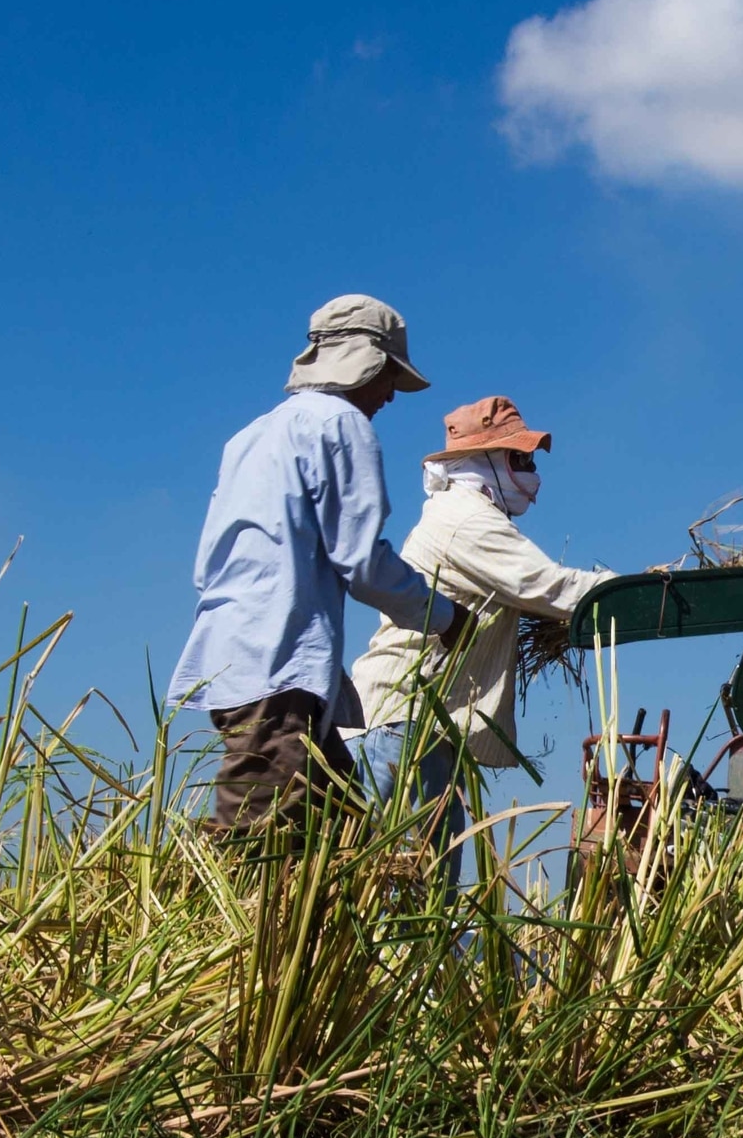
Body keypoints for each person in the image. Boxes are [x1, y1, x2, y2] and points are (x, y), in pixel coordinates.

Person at [169, 295, 458, 830]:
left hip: (237, 654)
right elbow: (363, 562)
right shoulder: (341, 425)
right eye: (390, 376)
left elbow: (209, 561)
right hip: (277, 667)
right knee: (260, 842)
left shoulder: (252, 435)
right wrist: (444, 617)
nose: (392, 394)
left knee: (342, 833)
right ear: (365, 362)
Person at [345, 394, 614, 876]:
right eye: (520, 458)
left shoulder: (467, 515)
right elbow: (549, 587)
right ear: (484, 458)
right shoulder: (468, 519)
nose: (531, 471)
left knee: (421, 887)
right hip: (401, 724)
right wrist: (634, 591)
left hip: (416, 729)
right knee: (406, 888)